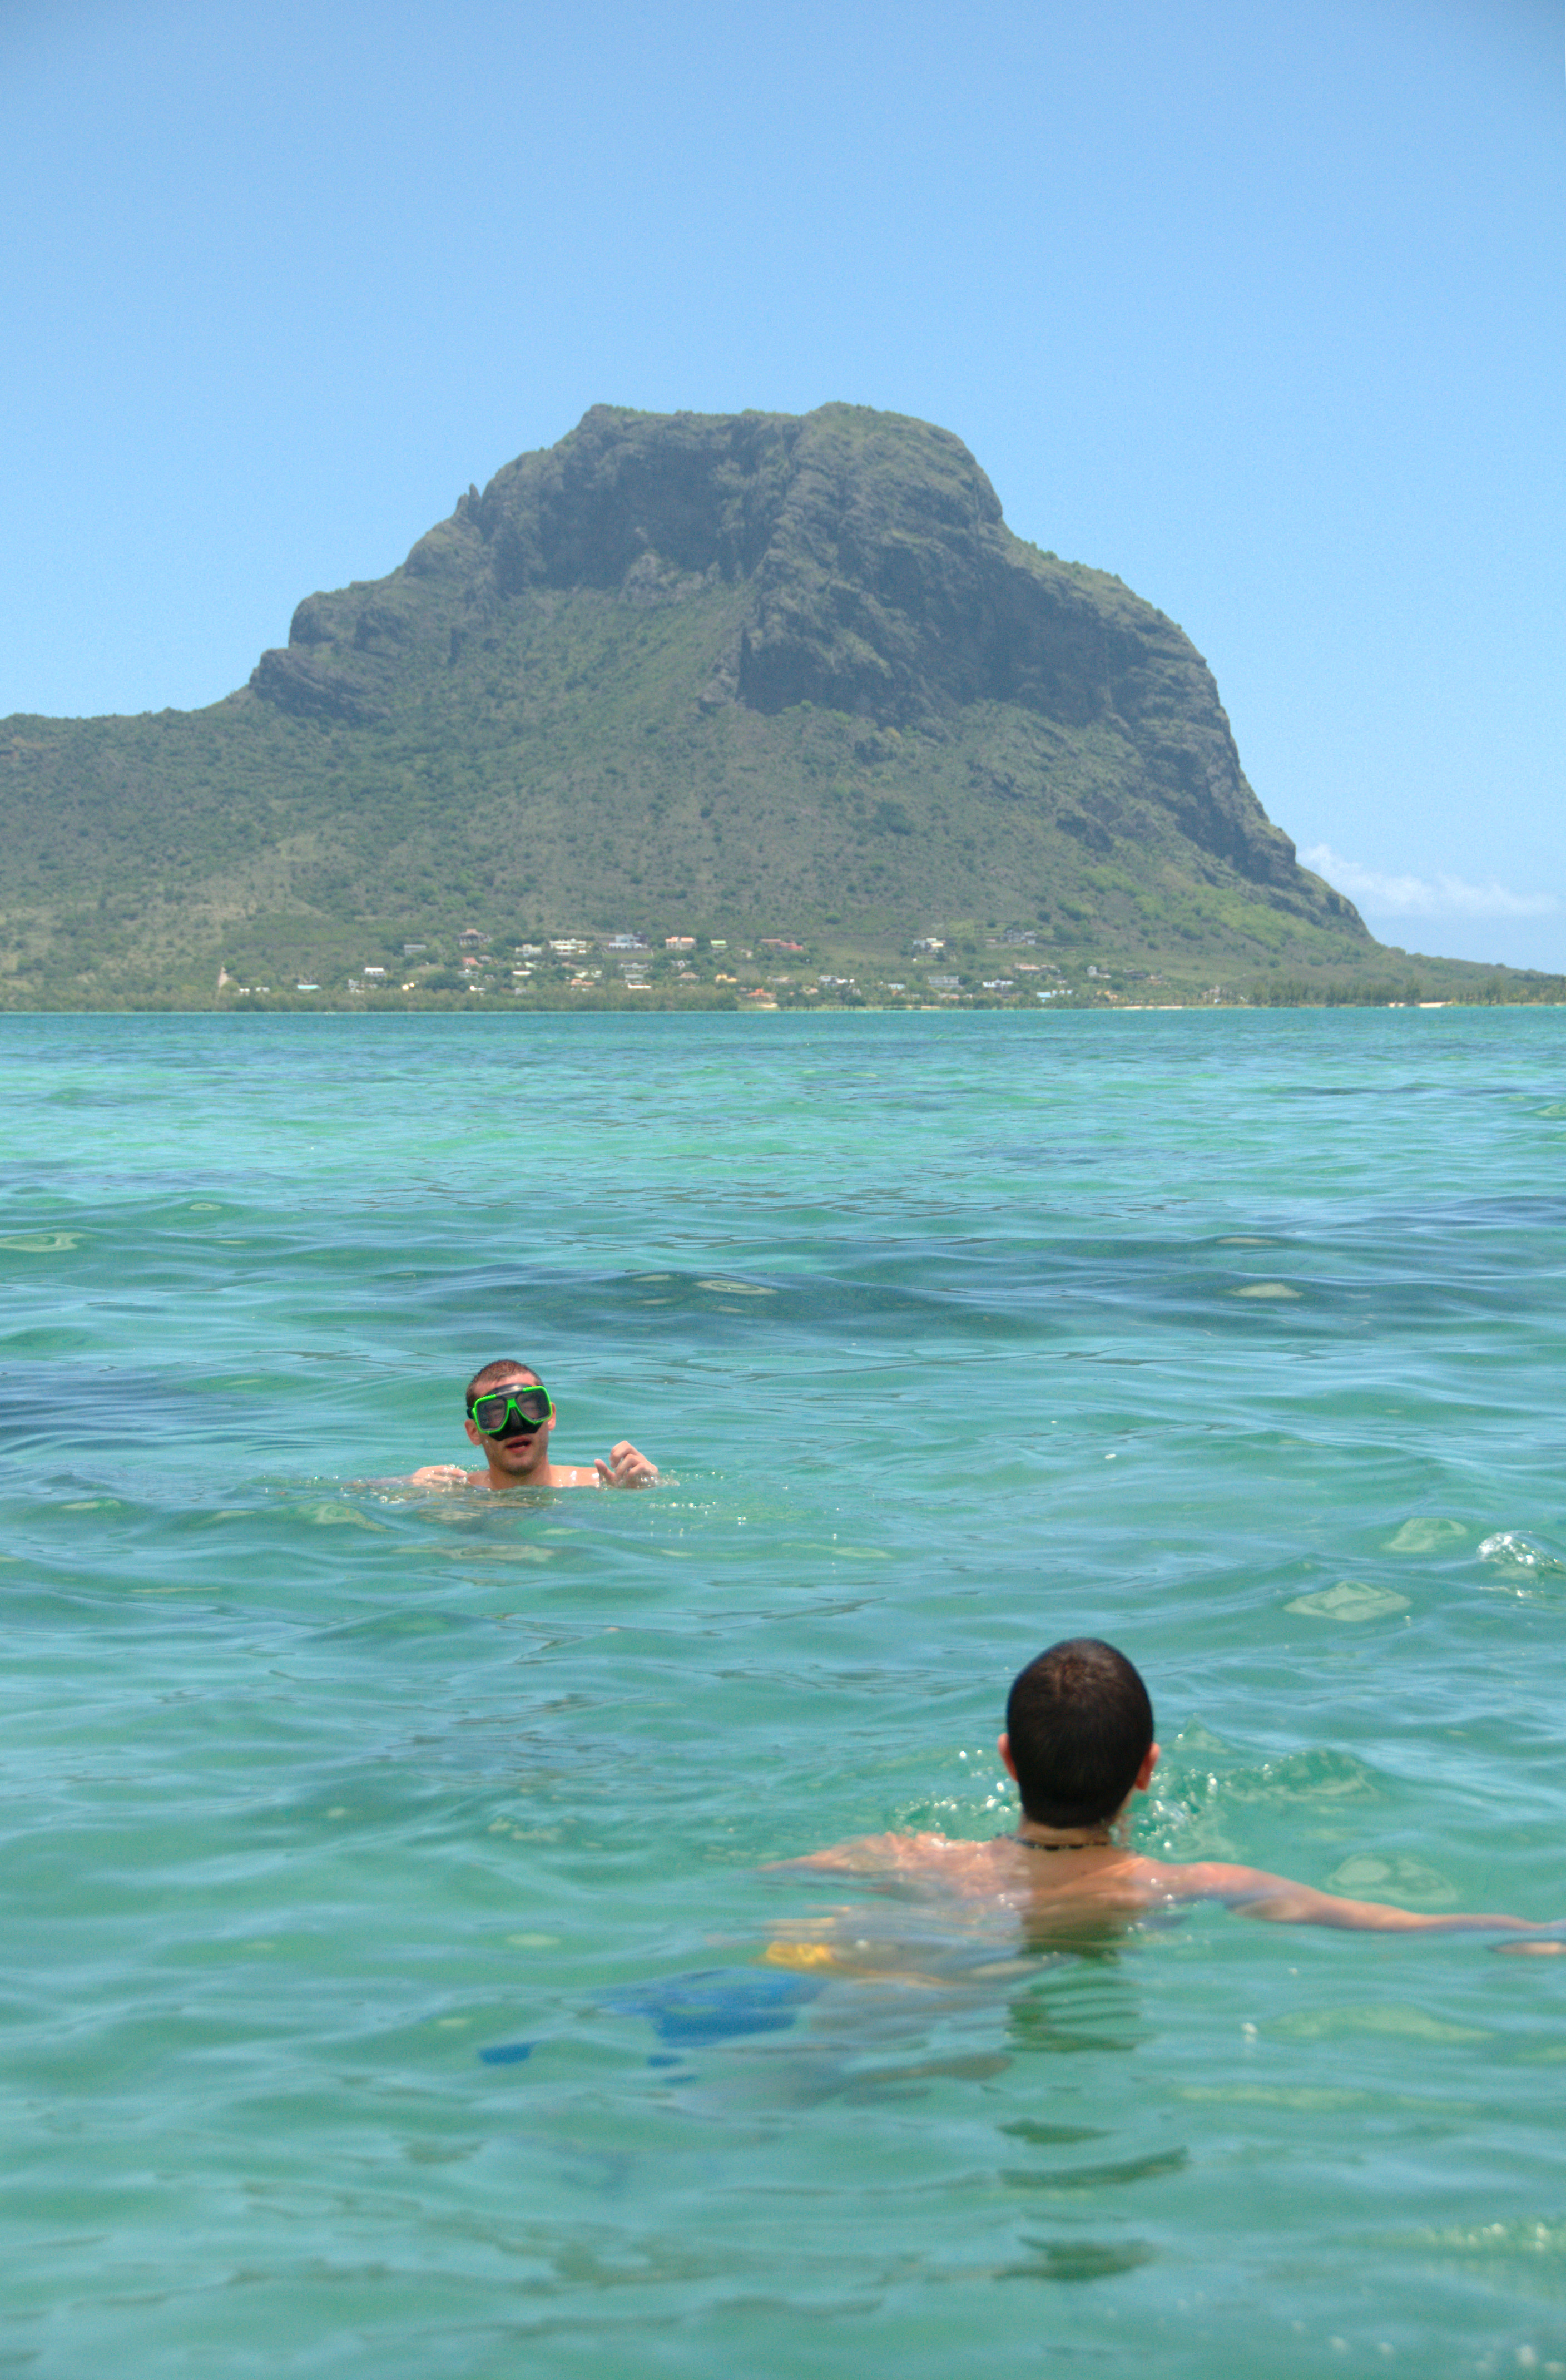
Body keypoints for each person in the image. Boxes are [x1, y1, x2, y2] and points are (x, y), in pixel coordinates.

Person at [782, 1638, 1564, 1949]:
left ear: (1008, 1760)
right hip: (959, 1997)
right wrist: (1528, 1929)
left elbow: (765, 1879)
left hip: (846, 1956)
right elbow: (1387, 1922)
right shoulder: (1179, 1883)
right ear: (1147, 1769)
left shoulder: (906, 1853)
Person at [410, 1359, 658, 1491]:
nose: (516, 1424)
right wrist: (408, 1487)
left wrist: (646, 1487)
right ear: (475, 1432)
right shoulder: (453, 1492)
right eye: (495, 1413)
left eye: (529, 1407)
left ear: (550, 1416)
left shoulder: (600, 1486)